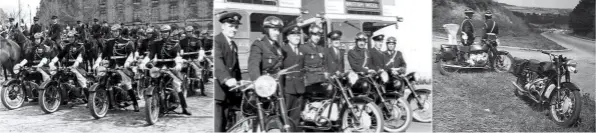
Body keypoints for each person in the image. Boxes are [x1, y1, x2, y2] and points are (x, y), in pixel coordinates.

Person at [142, 24, 192, 115]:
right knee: (152, 80)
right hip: (159, 67)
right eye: (163, 32)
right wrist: (144, 62)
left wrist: (178, 64)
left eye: (166, 32)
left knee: (177, 85)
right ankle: (153, 100)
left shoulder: (175, 43)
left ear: (169, 33)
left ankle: (185, 107)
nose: (164, 34)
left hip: (171, 67)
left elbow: (177, 56)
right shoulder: (156, 43)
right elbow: (150, 55)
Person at [96, 24, 139, 111]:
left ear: (120, 32)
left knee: (127, 84)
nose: (115, 33)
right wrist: (97, 62)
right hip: (111, 65)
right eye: (113, 32)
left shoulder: (126, 41)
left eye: (116, 31)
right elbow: (103, 54)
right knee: (103, 78)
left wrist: (127, 63)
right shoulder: (109, 42)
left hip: (123, 66)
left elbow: (130, 55)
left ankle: (135, 103)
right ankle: (106, 101)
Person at [213, 12, 242, 132]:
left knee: (228, 125)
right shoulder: (217, 41)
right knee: (218, 126)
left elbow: (236, 68)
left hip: (229, 93)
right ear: (223, 26)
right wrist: (226, 78)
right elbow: (217, 62)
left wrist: (241, 84)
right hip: (219, 91)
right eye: (231, 26)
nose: (234, 29)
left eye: (236, 27)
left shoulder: (233, 45)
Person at [49, 30, 87, 102]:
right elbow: (60, 55)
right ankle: (64, 96)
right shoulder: (67, 46)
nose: (70, 39)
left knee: (82, 82)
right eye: (69, 37)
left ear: (75, 38)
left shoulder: (80, 46)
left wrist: (76, 63)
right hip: (68, 67)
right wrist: (52, 62)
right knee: (58, 76)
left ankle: (89, 98)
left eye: (72, 37)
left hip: (78, 67)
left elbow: (80, 56)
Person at [280, 25, 305, 132]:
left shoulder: (301, 50)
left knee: (296, 117)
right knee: (285, 117)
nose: (297, 37)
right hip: (287, 88)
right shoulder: (283, 50)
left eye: (298, 35)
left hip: (299, 88)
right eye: (294, 35)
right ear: (288, 37)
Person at [247, 16, 284, 80]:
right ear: (266, 30)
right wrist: (257, 82)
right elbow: (253, 66)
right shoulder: (259, 44)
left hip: (277, 82)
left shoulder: (277, 46)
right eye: (274, 30)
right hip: (265, 82)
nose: (277, 33)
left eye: (278, 30)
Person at [180, 25, 206, 96]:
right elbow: (180, 48)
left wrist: (199, 54)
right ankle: (181, 87)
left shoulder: (196, 40)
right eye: (187, 32)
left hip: (193, 58)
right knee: (180, 71)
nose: (189, 33)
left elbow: (200, 48)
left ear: (192, 32)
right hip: (185, 59)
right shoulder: (182, 41)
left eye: (190, 32)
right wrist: (181, 52)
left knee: (198, 72)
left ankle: (202, 90)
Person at [300, 24, 326, 89]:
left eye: (319, 35)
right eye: (315, 35)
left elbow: (324, 63)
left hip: (321, 80)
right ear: (310, 35)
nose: (317, 37)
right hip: (309, 82)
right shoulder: (303, 47)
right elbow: (300, 65)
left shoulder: (321, 48)